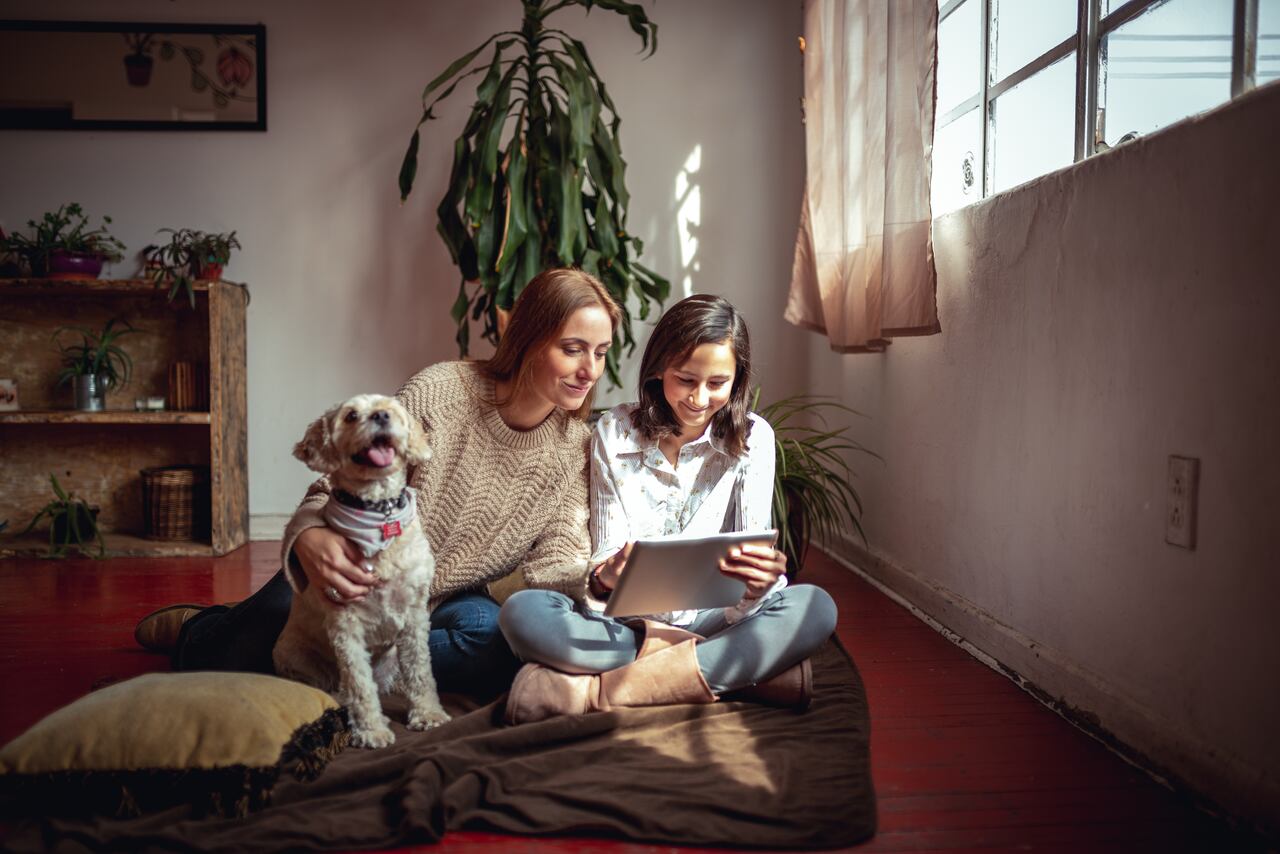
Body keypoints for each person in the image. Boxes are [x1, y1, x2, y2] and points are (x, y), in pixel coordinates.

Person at [134, 268, 621, 698]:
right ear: (529, 339)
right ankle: (199, 630)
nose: (589, 371)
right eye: (572, 349)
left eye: (600, 353)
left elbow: (553, 559)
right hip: (361, 568)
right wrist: (310, 534)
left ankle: (345, 668)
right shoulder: (441, 392)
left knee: (493, 642)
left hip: (448, 599)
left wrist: (596, 578)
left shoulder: (572, 448)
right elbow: (342, 479)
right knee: (236, 653)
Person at [499, 294, 838, 723]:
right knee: (523, 613)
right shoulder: (614, 431)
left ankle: (600, 693)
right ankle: (730, 673)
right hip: (627, 628)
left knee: (815, 606)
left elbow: (752, 557)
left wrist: (759, 583)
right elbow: (604, 554)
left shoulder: (754, 437)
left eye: (718, 383)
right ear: (659, 369)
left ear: (738, 379)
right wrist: (605, 578)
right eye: (686, 379)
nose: (699, 398)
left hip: (717, 620)